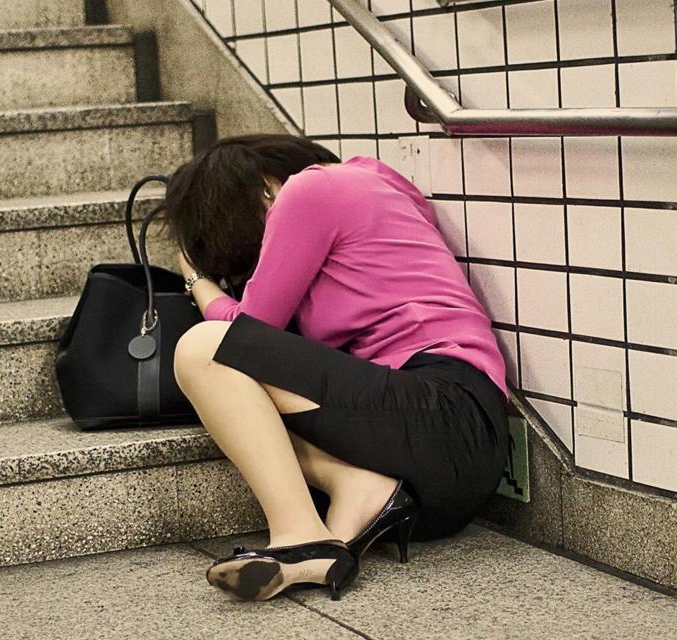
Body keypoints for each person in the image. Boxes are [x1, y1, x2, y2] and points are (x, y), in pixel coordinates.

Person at [165, 134, 509, 602]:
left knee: (203, 348)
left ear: (264, 187)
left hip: (446, 410)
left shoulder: (313, 189)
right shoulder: (373, 190)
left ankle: (299, 533)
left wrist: (196, 280)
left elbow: (248, 329)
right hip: (439, 477)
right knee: (244, 398)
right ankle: (353, 497)